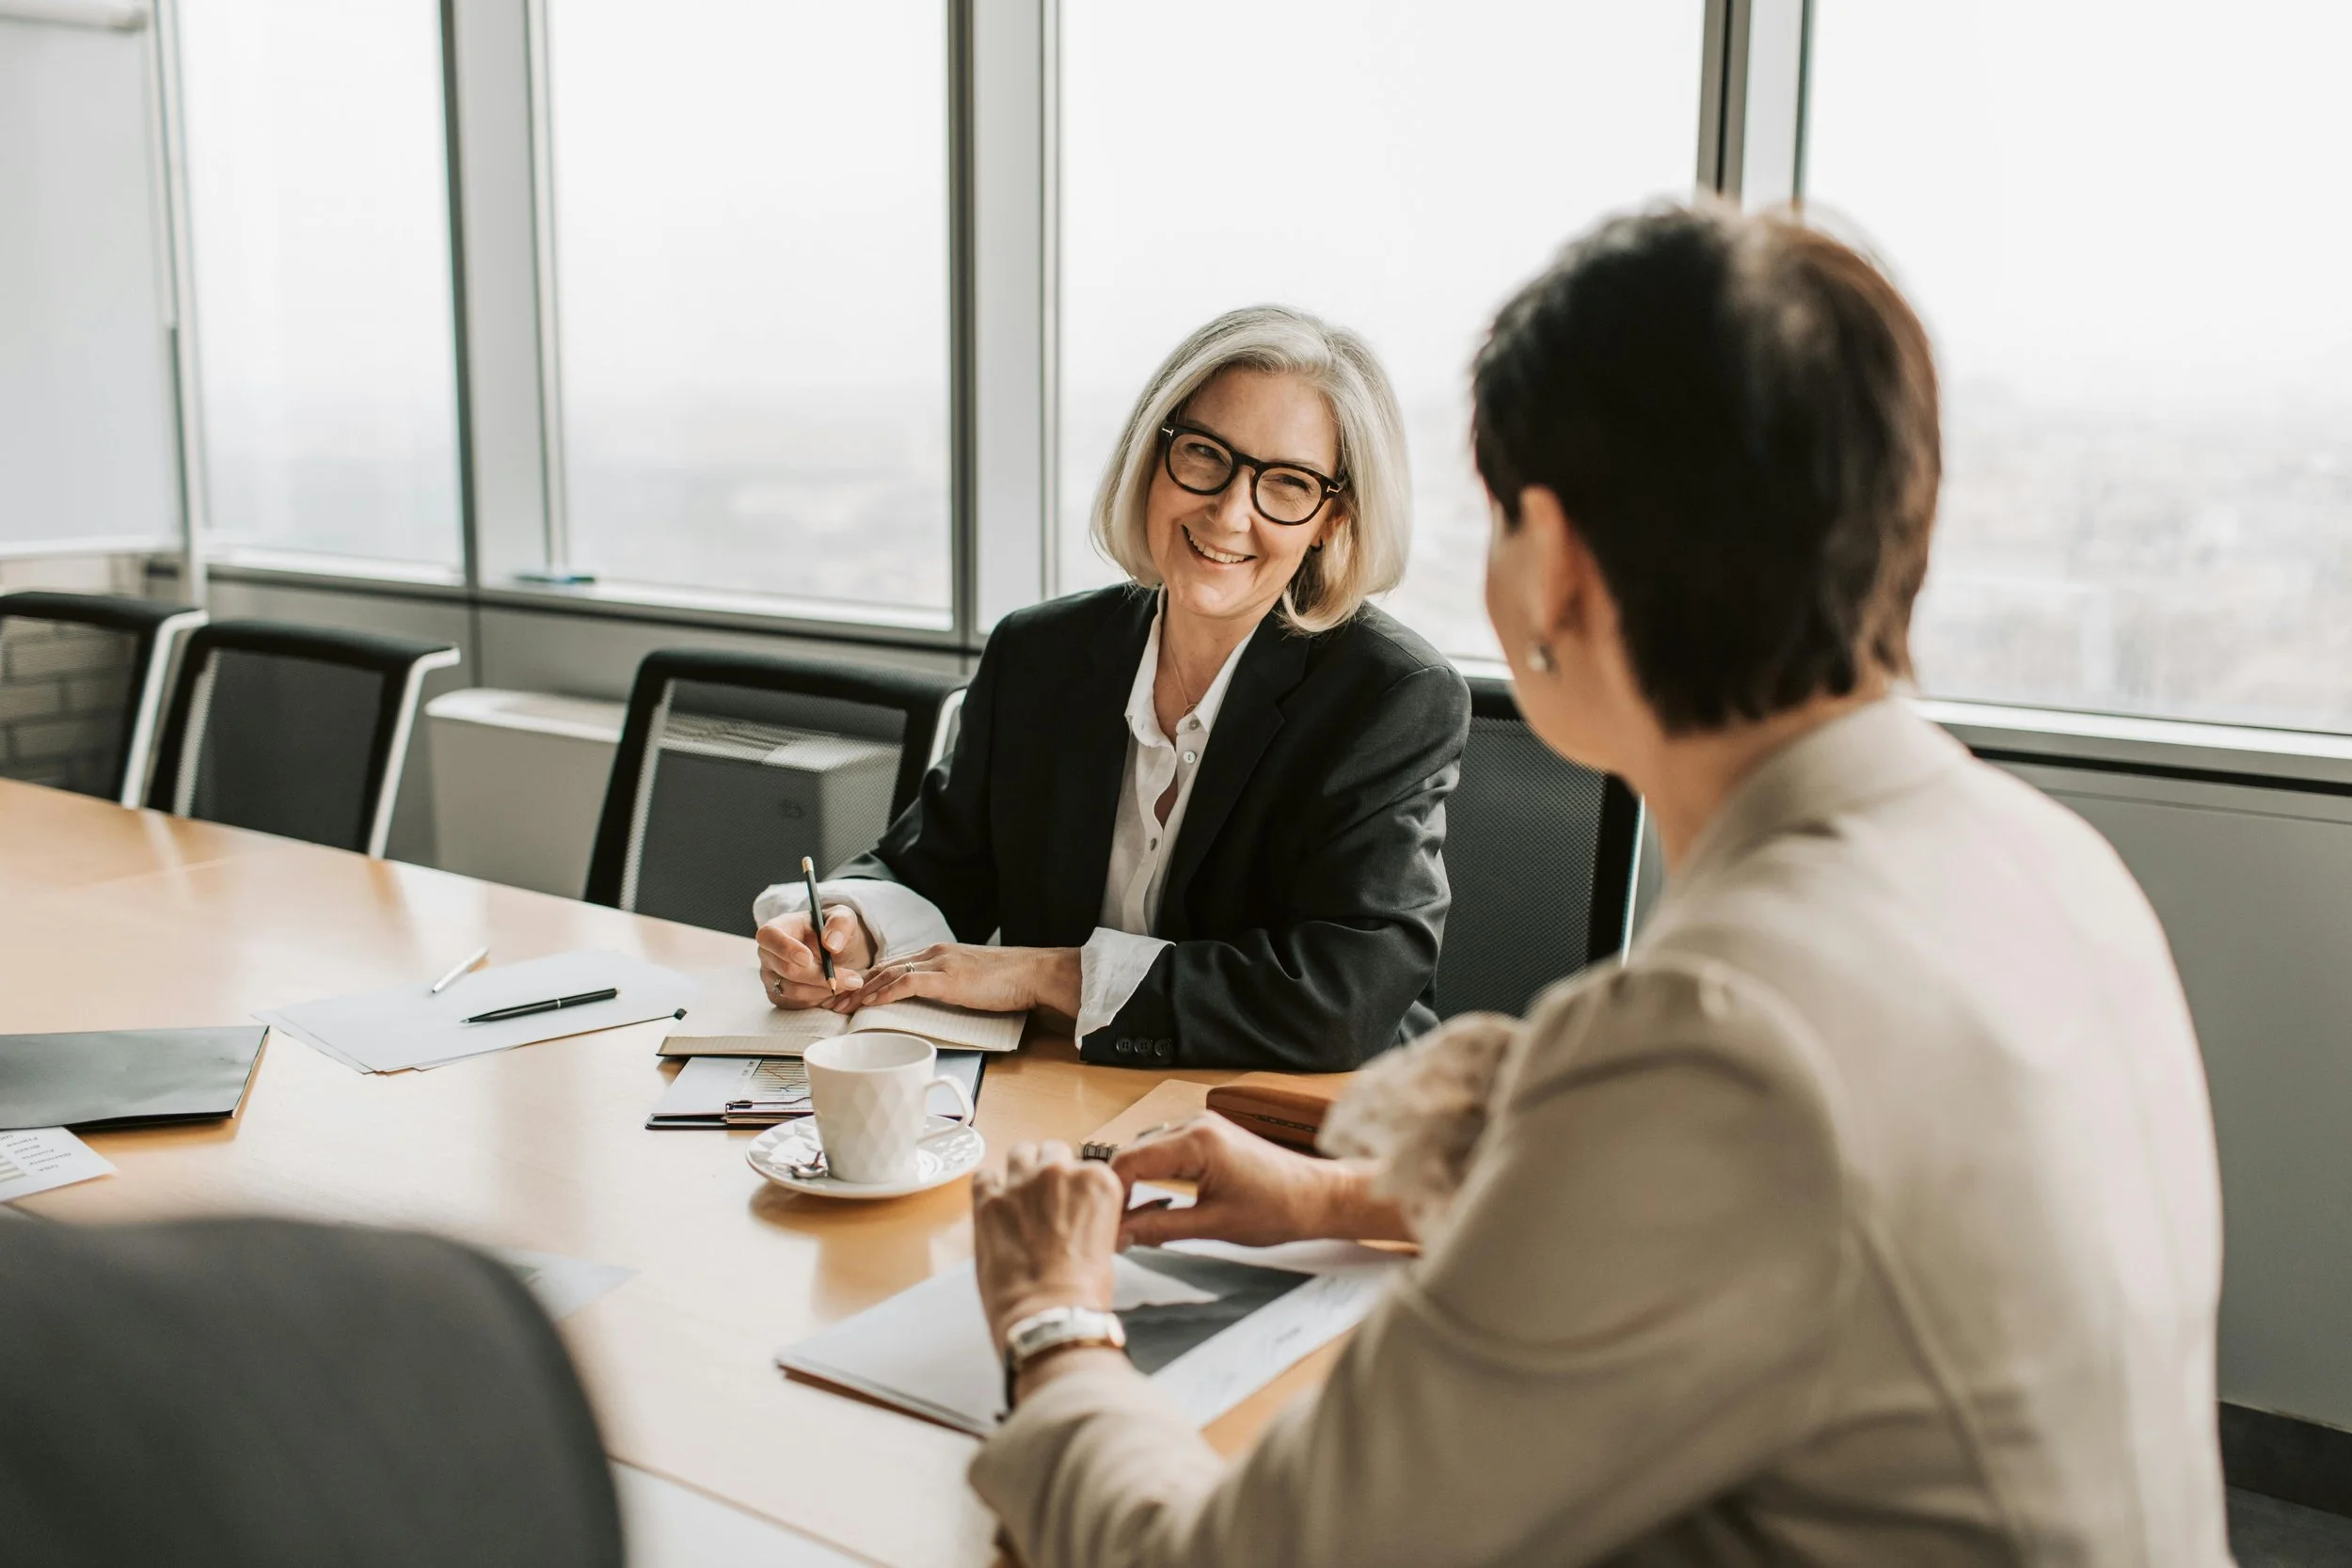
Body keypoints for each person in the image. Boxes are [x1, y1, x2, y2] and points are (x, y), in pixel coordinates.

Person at [960, 205, 2231, 1564]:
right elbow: (1767, 1216)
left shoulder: (1723, 1025)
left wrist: (1052, 1315)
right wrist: (1331, 1196)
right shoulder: (2058, 866)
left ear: (1552, 557)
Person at [752, 307, 1470, 1072]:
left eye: (1287, 484)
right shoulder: (1041, 655)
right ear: (1154, 457)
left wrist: (1044, 973)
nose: (1230, 512)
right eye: (1205, 456)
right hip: (1071, 1099)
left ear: (1331, 517)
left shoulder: (1389, 697)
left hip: (1293, 1126)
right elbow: (930, 864)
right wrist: (848, 928)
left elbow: (1346, 996)